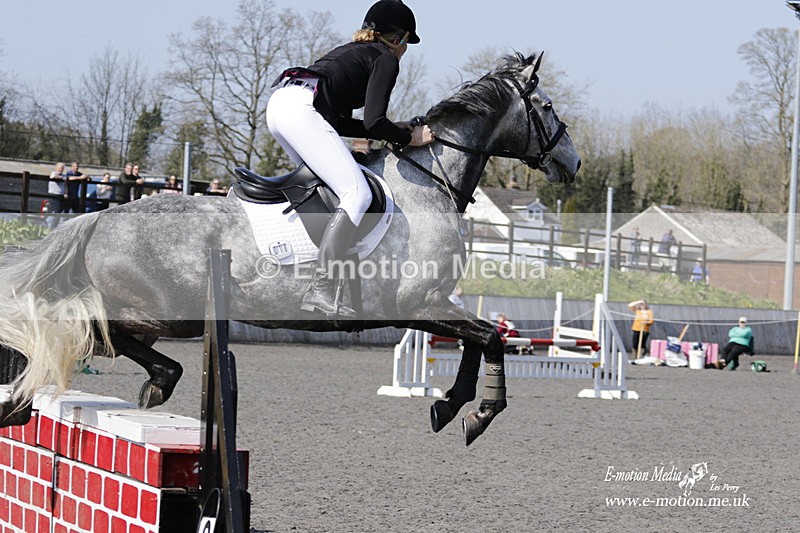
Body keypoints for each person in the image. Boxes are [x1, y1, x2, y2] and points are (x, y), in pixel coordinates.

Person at [267, 0, 434, 318]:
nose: (404, 50)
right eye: (406, 43)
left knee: (320, 190)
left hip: (281, 107)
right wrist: (409, 137)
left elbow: (345, 124)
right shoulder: (386, 59)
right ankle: (322, 287)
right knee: (357, 193)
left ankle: (297, 266)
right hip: (302, 111)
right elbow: (373, 123)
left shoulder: (350, 51)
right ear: (398, 38)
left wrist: (392, 128)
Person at [46, 162, 67, 229]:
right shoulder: (54, 173)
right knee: (56, 212)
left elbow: (65, 186)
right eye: (60, 168)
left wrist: (66, 193)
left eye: (62, 168)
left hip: (61, 196)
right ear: (57, 168)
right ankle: (52, 227)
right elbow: (53, 177)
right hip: (54, 195)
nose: (61, 169)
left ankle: (54, 226)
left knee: (59, 212)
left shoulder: (64, 176)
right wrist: (61, 178)